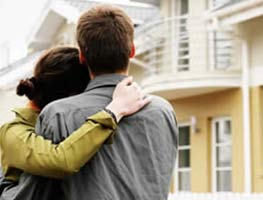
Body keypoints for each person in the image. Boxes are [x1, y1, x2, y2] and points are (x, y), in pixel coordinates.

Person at [5, 5, 178, 200]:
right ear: (132, 51)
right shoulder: (163, 111)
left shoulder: (58, 114)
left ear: (82, 56)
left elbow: (35, 193)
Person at [0, 47, 149, 199]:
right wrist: (114, 111)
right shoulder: (13, 132)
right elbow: (61, 160)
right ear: (72, 97)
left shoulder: (73, 124)